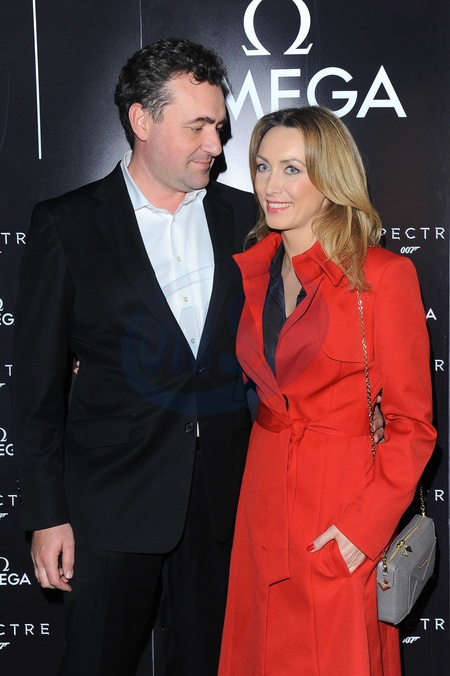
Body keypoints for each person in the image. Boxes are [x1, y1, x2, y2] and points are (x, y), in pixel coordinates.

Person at [12, 38, 258, 676]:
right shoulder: (67, 224)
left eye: (219, 126)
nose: (216, 144)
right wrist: (46, 516)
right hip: (108, 506)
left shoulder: (247, 218)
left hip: (222, 506)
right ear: (142, 120)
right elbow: (35, 389)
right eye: (197, 126)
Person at [218, 106, 437, 675]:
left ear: (330, 177)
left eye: (292, 168)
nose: (271, 184)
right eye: (263, 166)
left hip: (340, 509)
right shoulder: (254, 272)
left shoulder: (381, 276)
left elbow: (413, 426)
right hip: (263, 499)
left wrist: (363, 530)